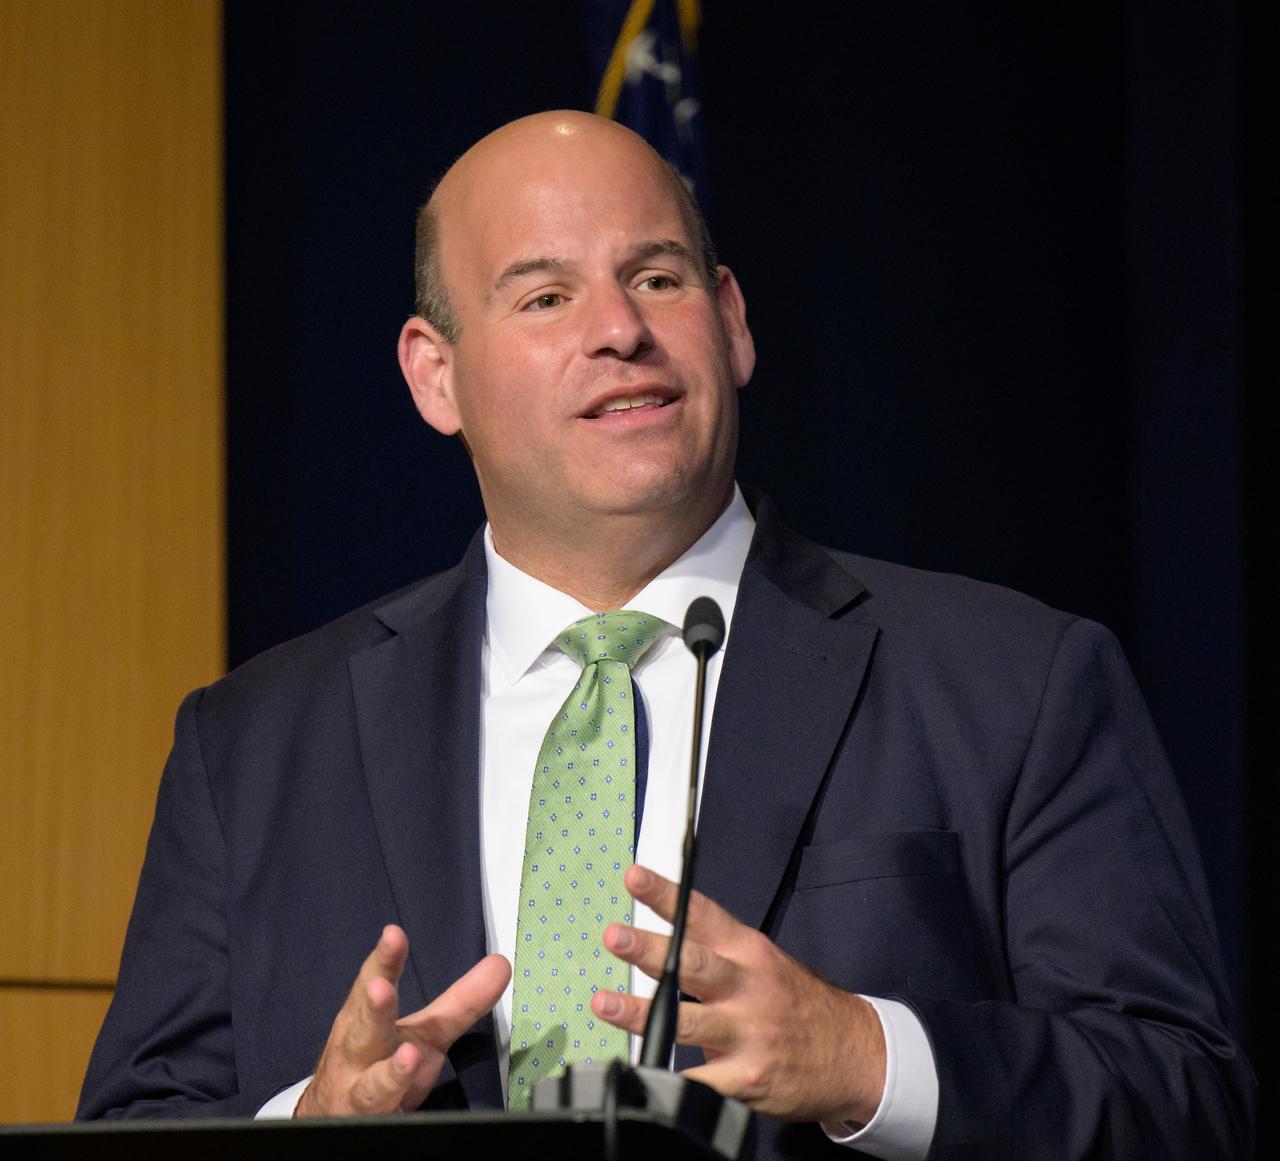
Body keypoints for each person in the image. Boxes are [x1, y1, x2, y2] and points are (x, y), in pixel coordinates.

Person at [79, 111, 1253, 1159]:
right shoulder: (251, 747)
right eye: (543, 297)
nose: (618, 332)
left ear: (730, 323)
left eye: (655, 278)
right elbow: (131, 1131)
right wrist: (308, 1130)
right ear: (434, 377)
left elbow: (1185, 1102)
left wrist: (866, 1059)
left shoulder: (1013, 682)